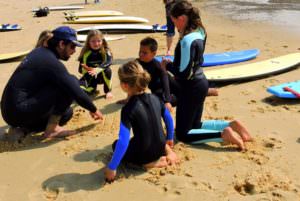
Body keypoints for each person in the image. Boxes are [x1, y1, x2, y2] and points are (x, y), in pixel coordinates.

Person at [161, 1, 251, 150]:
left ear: (182, 18)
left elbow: (184, 73)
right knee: (195, 125)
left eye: (174, 20)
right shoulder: (200, 31)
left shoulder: (186, 41)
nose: (174, 24)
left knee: (183, 134)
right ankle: (231, 125)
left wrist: (167, 65)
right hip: (201, 83)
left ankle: (223, 134)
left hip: (190, 88)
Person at [1, 26, 103, 141]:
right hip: (18, 110)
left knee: (66, 114)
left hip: (10, 111)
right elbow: (74, 89)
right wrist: (93, 109)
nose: (74, 51)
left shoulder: (40, 52)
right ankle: (51, 130)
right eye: (72, 46)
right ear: (61, 44)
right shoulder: (50, 61)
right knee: (71, 82)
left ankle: (24, 129)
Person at [104, 60, 178, 182]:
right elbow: (169, 120)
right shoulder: (156, 98)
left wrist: (112, 167)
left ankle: (150, 164)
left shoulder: (128, 109)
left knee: (115, 145)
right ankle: (168, 151)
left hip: (144, 155)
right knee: (148, 136)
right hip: (161, 146)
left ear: (125, 85)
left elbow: (123, 142)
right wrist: (169, 138)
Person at [78, 30, 113, 99]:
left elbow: (109, 62)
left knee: (108, 70)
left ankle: (108, 91)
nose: (96, 44)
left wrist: (97, 69)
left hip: (102, 77)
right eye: (93, 41)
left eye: (98, 41)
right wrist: (87, 69)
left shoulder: (105, 51)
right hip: (90, 76)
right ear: (88, 42)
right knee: (79, 91)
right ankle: (91, 89)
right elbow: (80, 70)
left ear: (102, 41)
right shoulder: (86, 53)